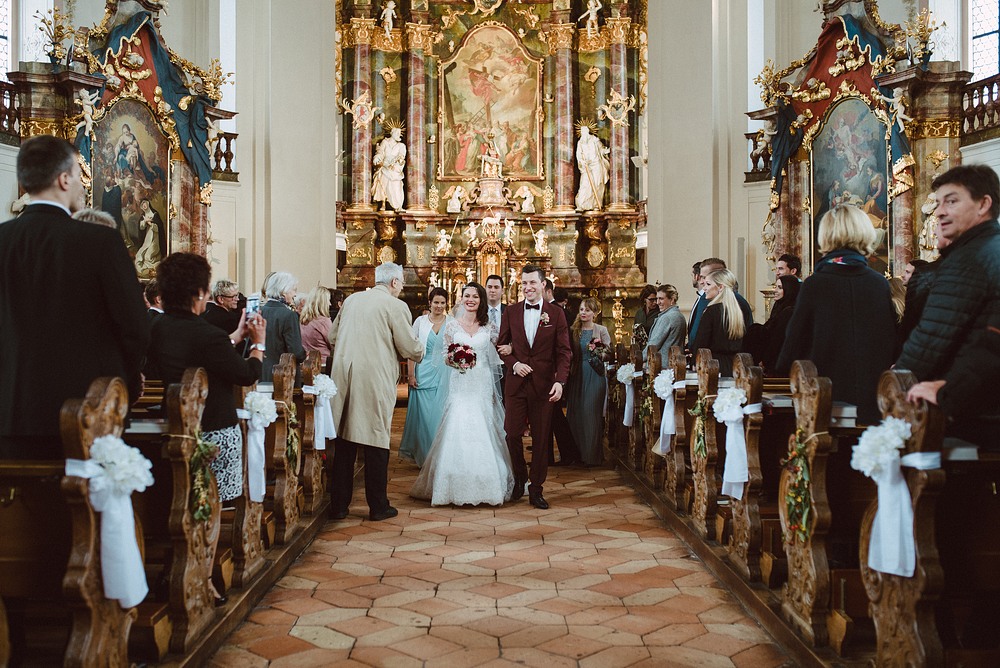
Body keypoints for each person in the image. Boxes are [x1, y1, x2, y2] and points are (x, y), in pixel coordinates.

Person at [0, 135, 148, 459]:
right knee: (80, 507)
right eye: (80, 176)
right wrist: (128, 379)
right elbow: (135, 326)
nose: (82, 186)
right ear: (64, 178)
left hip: (9, 412)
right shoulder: (100, 241)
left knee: (15, 507)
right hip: (86, 413)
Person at [145, 252, 265, 503]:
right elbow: (246, 374)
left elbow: (198, 352)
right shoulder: (208, 334)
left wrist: (235, 336)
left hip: (177, 427)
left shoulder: (157, 326)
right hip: (214, 430)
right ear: (199, 292)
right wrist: (258, 345)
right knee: (213, 501)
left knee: (184, 497)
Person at [777, 204, 896, 423]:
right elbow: (890, 341)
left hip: (823, 400)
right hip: (873, 401)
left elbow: (793, 343)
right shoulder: (879, 284)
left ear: (825, 236)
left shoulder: (815, 284)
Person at [328, 262, 424, 521]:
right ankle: (378, 505)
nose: (402, 286)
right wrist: (421, 350)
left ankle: (338, 506)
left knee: (345, 439)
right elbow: (408, 347)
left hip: (344, 375)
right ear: (394, 282)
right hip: (374, 377)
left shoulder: (352, 300)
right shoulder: (395, 306)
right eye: (402, 282)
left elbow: (332, 335)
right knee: (376, 440)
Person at [411, 283, 513, 505]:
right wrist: (455, 359)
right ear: (461, 298)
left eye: (475, 296)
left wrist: (512, 349)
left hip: (482, 382)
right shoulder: (452, 326)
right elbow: (444, 356)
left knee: (483, 424)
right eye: (467, 296)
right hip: (461, 382)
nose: (470, 300)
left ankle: (488, 483)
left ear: (481, 300)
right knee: (458, 423)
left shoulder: (489, 327)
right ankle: (452, 484)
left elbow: (501, 349)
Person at [896, 165, 1000, 385]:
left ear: (983, 204)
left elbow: (931, 339)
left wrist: (899, 379)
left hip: (967, 408)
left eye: (951, 201)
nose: (939, 211)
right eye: (939, 203)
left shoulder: (966, 259)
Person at [498, 264, 573, 509]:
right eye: (524, 283)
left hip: (544, 386)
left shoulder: (557, 314)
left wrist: (560, 381)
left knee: (541, 440)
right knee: (511, 434)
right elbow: (501, 345)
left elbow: (564, 352)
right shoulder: (511, 311)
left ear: (543, 284)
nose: (528, 287)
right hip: (516, 384)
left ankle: (536, 488)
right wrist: (514, 363)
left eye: (532, 283)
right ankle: (520, 477)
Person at [399, 287, 453, 467]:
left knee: (439, 417)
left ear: (447, 304)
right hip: (422, 372)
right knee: (423, 418)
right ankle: (424, 457)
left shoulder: (452, 322)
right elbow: (411, 349)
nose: (439, 306)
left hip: (445, 373)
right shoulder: (420, 322)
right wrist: (411, 374)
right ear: (430, 303)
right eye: (436, 302)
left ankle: (439, 456)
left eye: (442, 303)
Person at [566, 298, 611, 466]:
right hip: (577, 374)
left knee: (590, 413)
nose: (583, 312)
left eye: (587, 310)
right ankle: (576, 455)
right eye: (582, 309)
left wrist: (599, 350)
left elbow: (609, 353)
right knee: (576, 413)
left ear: (595, 313)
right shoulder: (574, 331)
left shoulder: (601, 330)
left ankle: (591, 456)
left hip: (595, 373)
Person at [690, 268, 746, 377]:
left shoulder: (711, 311)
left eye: (708, 284)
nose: (704, 288)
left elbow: (701, 342)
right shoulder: (736, 311)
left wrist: (694, 362)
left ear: (720, 287)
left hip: (712, 366)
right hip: (734, 367)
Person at [260, 271, 306, 382]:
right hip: (282, 374)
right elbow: (295, 350)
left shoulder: (258, 311)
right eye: (294, 290)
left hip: (260, 371)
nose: (295, 294)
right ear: (283, 291)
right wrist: (303, 354)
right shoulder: (289, 315)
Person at [756, 275, 800, 374]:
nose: (775, 290)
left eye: (780, 288)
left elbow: (777, 340)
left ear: (789, 289)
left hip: (779, 363)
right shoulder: (779, 307)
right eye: (775, 287)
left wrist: (765, 361)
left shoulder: (788, 312)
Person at [644, 284, 685, 361]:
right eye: (657, 299)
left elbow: (654, 345)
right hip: (674, 363)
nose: (657, 302)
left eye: (661, 299)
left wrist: (637, 360)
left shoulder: (667, 318)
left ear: (672, 300)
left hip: (662, 366)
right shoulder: (679, 315)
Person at [575, 124, 610, 211]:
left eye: (585, 131)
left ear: (588, 132)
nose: (584, 133)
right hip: (586, 167)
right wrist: (582, 162)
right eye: (582, 132)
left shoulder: (595, 140)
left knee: (598, 184)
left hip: (597, 165)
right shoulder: (580, 142)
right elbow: (578, 155)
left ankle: (596, 205)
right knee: (585, 185)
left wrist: (606, 151)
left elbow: (601, 149)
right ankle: (582, 204)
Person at [372, 126, 406, 211]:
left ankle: (398, 206)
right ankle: (383, 204)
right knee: (384, 184)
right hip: (385, 166)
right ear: (392, 133)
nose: (399, 135)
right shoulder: (385, 142)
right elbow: (380, 152)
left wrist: (399, 161)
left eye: (400, 133)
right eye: (397, 133)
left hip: (395, 168)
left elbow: (402, 155)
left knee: (396, 186)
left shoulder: (401, 145)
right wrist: (376, 158)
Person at [299, 286, 334, 368]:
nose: (330, 304)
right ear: (322, 302)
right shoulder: (324, 321)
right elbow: (333, 343)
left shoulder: (302, 319)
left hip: (306, 364)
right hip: (322, 364)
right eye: (328, 301)